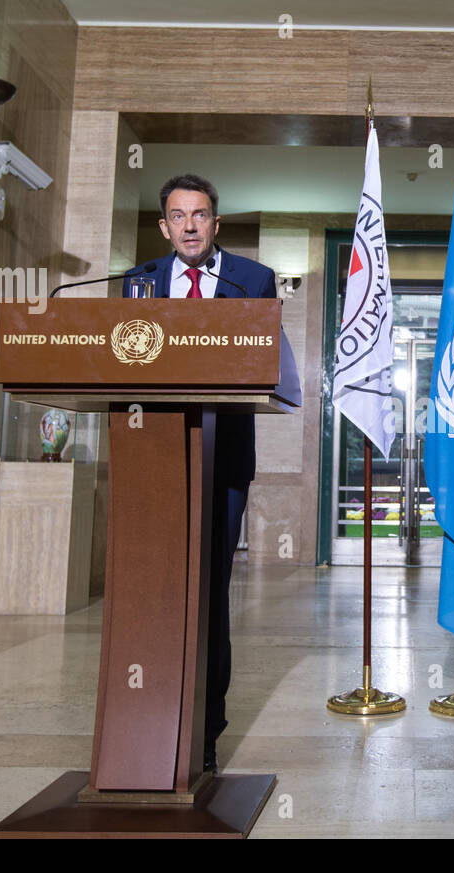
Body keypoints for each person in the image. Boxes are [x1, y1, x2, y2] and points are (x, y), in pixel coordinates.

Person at [122, 174, 286, 771]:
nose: (190, 224)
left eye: (200, 214)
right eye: (178, 215)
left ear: (216, 224)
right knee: (156, 591)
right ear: (164, 226)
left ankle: (207, 728)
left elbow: (264, 361)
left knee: (208, 589)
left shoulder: (254, 280)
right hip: (154, 460)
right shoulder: (138, 283)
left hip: (223, 464)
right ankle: (147, 716)